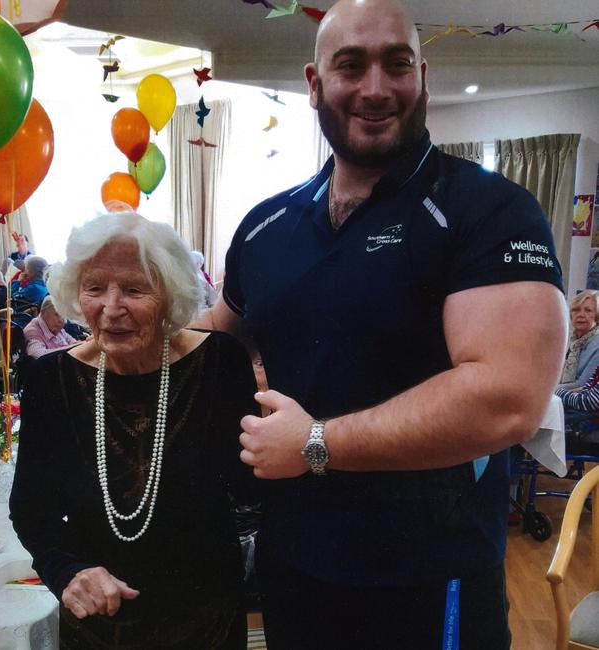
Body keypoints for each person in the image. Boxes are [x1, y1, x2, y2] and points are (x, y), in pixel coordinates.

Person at [194, 0, 567, 647]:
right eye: (350, 65)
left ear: (422, 76)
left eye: (396, 64)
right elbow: (216, 338)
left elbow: (507, 402)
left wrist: (315, 443)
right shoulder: (266, 227)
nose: (374, 87)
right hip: (296, 567)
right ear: (315, 84)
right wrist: (114, 336)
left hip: (428, 578)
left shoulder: (490, 212)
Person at [9, 211, 258, 650]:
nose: (111, 308)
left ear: (169, 294)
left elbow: (251, 491)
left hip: (205, 612)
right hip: (99, 613)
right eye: (94, 288)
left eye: (134, 289)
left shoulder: (220, 363)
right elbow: (32, 510)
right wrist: (67, 572)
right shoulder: (52, 381)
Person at [559, 290, 599, 388]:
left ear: (597, 316)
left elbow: (583, 386)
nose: (581, 315)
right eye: (576, 310)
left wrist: (544, 389)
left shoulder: (597, 344)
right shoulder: (573, 342)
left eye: (588, 310)